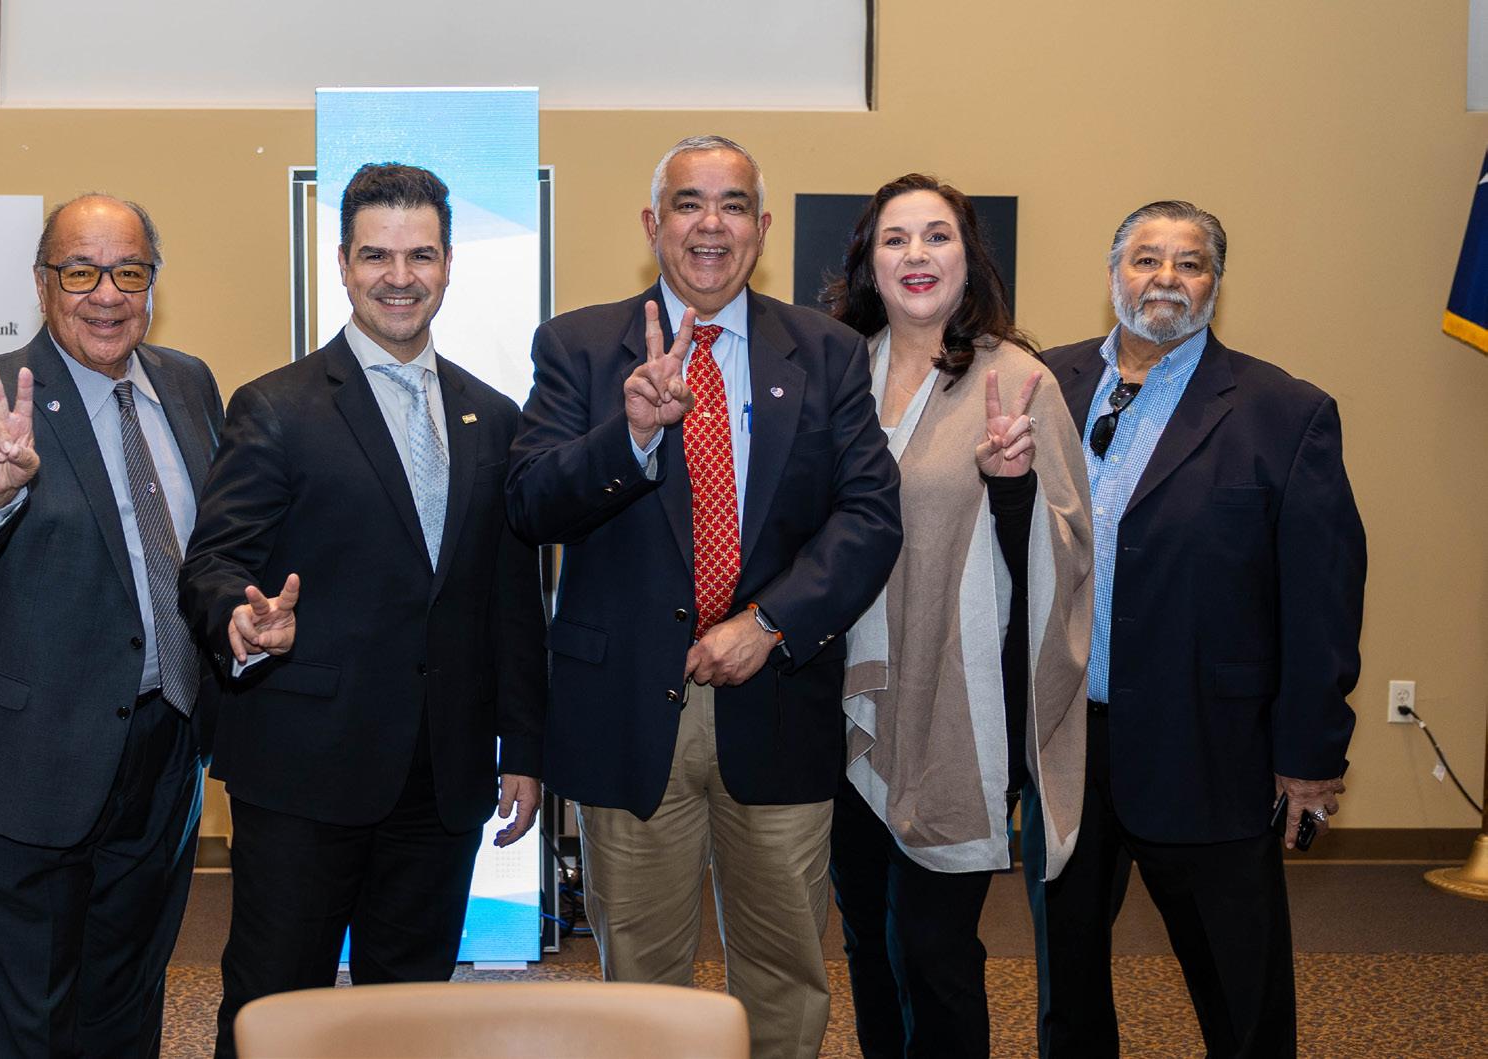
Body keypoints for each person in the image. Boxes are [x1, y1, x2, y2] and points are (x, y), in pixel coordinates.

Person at [506, 134, 901, 1059]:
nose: (710, 224)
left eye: (731, 205)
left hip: (777, 697)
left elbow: (869, 514)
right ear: (653, 224)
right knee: (641, 984)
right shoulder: (578, 345)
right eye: (688, 203)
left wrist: (769, 623)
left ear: (761, 226)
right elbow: (529, 503)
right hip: (626, 711)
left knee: (785, 969)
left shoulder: (830, 352)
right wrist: (631, 437)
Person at [179, 163, 547, 1057]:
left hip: (442, 776)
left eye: (420, 255)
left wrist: (527, 750)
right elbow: (212, 561)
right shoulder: (276, 406)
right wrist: (240, 619)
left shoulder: (494, 417)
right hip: (303, 769)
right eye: (377, 255)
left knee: (408, 1018)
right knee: (274, 1008)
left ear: (448, 264)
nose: (399, 276)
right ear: (342, 264)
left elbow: (510, 599)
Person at [0, 193, 222, 1058]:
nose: (106, 294)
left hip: (164, 742)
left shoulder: (188, 383)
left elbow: (206, 543)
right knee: (33, 1020)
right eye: (80, 271)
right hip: (29, 757)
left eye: (128, 271)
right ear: (42, 284)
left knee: (129, 995)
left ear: (152, 283)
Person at [1034, 201, 1365, 1058]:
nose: (1166, 279)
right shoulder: (1043, 385)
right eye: (1146, 259)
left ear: (1215, 283)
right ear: (1113, 274)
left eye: (1190, 263)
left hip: (1208, 746)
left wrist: (1310, 756)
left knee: (1238, 995)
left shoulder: (1283, 412)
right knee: (1066, 987)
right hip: (1065, 743)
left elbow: (1321, 599)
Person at [817, 174, 1092, 1057]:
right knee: (865, 933)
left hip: (959, 705)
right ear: (867, 262)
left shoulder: (1018, 380)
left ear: (968, 259)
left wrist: (1011, 487)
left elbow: (1066, 553)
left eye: (937, 236)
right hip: (844, 700)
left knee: (932, 946)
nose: (916, 254)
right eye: (894, 238)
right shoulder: (833, 374)